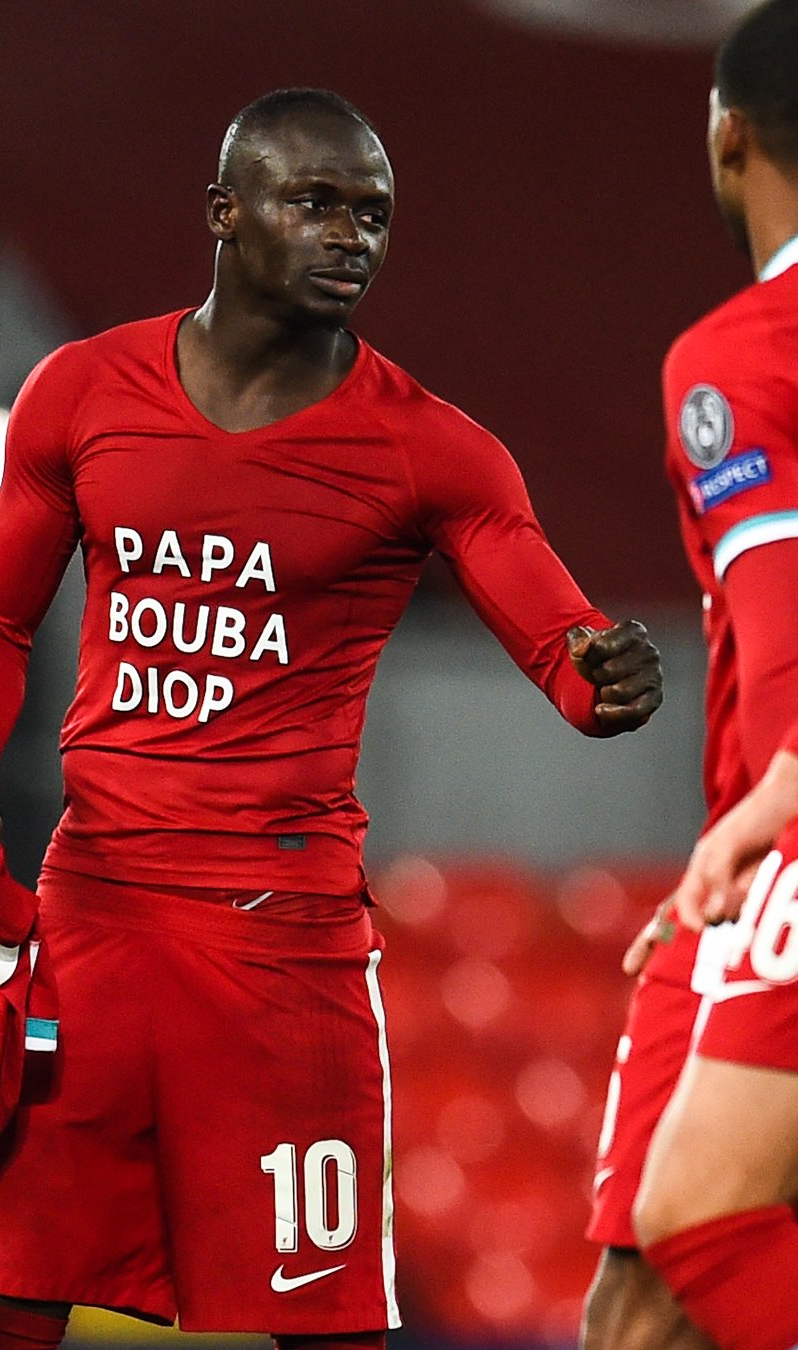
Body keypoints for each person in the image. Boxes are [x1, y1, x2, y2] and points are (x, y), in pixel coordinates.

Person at [0, 88, 663, 1350]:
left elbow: (568, 655)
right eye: (315, 204)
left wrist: (610, 677)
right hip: (93, 912)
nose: (350, 237)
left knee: (326, 1329)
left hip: (286, 948)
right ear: (224, 213)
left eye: (371, 215)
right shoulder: (81, 393)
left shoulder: (435, 452)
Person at [581, 3, 798, 1347]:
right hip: (745, 846)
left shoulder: (739, 357)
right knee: (636, 1304)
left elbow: (785, 633)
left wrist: (771, 808)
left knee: (701, 1218)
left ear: (728, 140)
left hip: (781, 815)